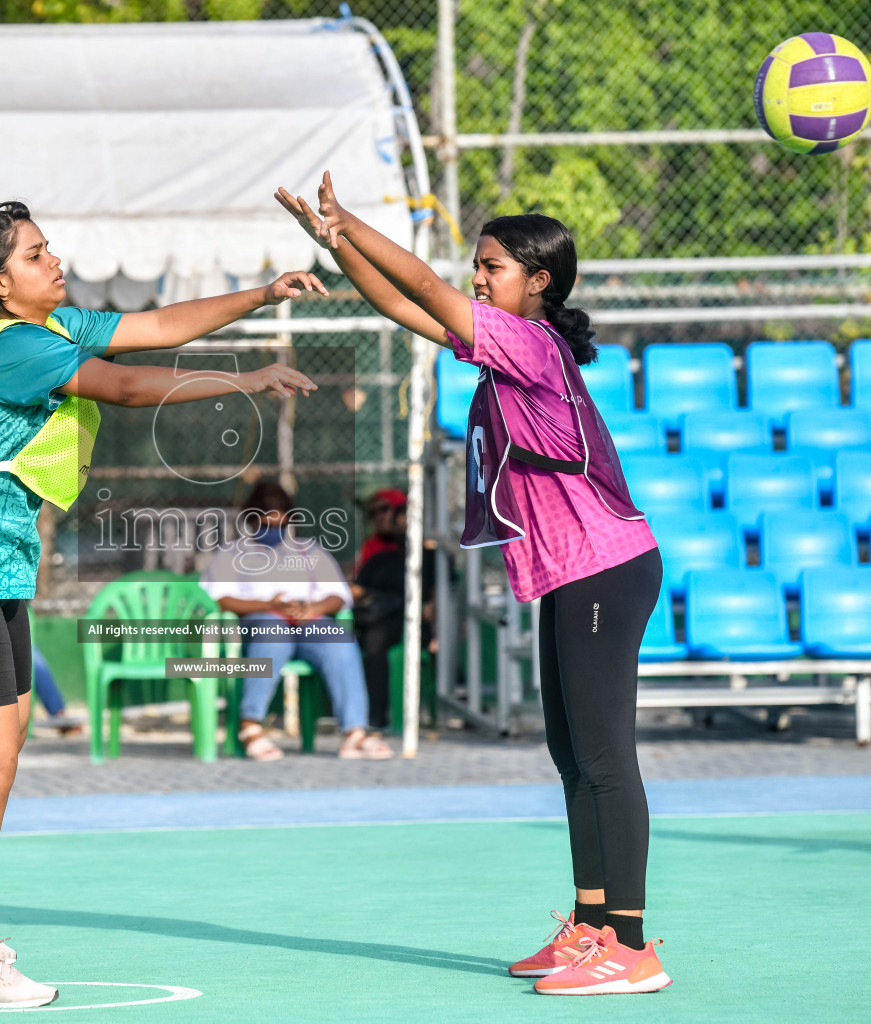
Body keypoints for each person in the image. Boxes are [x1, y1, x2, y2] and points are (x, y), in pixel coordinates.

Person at [0, 200, 321, 1009]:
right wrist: (245, 379)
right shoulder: (15, 346)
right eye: (34, 254)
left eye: (49, 248)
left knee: (1, 744)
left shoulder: (51, 329)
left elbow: (155, 326)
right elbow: (122, 386)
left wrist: (262, 296)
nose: (53, 260)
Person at [277, 175, 669, 994]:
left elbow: (422, 284)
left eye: (492, 267)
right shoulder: (502, 347)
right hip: (574, 570)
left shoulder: (529, 343)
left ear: (539, 283)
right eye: (478, 265)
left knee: (603, 758)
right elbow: (402, 308)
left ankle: (631, 947)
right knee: (571, 756)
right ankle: (590, 926)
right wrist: (339, 247)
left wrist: (351, 222)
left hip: (605, 565)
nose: (479, 278)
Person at [200, 480, 391, 762]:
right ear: (251, 520)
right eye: (265, 522)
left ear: (289, 518)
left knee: (339, 639)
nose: (272, 529)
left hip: (309, 623)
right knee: (273, 630)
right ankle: (250, 725)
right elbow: (219, 598)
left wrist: (314, 608)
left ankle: (354, 733)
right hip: (260, 623)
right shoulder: (233, 553)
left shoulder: (308, 551)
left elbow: (338, 595)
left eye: (278, 521)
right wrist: (269, 605)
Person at [350, 487, 437, 732]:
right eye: (374, 513)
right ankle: (369, 717)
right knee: (366, 637)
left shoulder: (427, 554)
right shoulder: (374, 554)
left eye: (385, 510)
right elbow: (358, 589)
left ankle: (379, 716)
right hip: (379, 618)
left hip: (414, 623)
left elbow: (440, 593)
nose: (379, 517)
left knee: (377, 639)